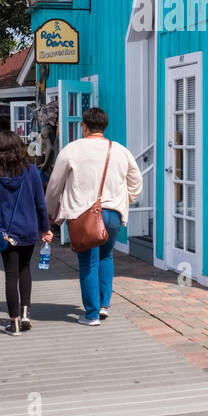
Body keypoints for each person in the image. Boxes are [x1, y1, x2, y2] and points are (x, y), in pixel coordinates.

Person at [45, 108, 141, 325]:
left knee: (88, 262)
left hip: (83, 215)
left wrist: (49, 213)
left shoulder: (72, 150)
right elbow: (136, 182)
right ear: (104, 126)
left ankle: (91, 314)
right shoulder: (119, 150)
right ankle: (103, 305)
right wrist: (124, 200)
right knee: (106, 257)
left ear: (84, 126)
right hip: (113, 213)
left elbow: (54, 186)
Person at [0, 132, 50, 336]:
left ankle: (14, 322)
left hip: (5, 230)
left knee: (10, 275)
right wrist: (45, 228)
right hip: (28, 227)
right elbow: (40, 204)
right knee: (25, 269)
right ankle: (26, 314)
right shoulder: (31, 171)